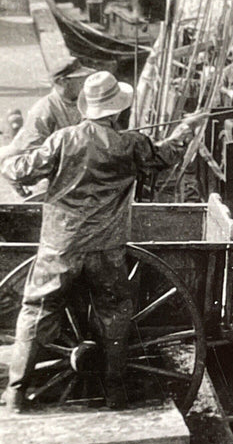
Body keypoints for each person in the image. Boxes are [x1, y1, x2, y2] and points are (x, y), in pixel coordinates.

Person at [0, 71, 199, 412]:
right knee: (115, 314)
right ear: (118, 111)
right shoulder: (131, 144)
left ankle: (16, 393)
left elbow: (17, 169)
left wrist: (12, 164)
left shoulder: (62, 140)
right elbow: (166, 155)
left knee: (36, 313)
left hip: (61, 246)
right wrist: (187, 128)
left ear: (87, 107)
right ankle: (115, 392)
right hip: (107, 247)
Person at [1, 56, 95, 197]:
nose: (84, 82)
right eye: (80, 78)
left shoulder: (83, 101)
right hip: (53, 180)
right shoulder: (44, 110)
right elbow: (31, 156)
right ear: (63, 82)